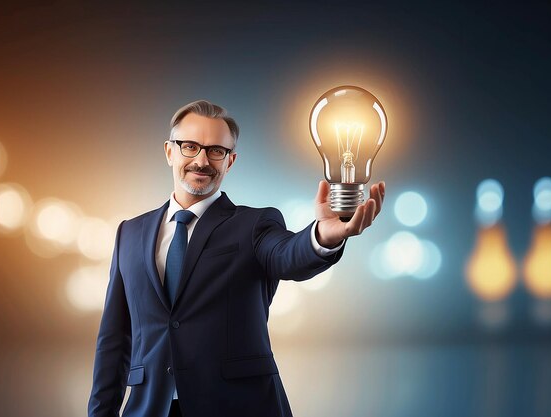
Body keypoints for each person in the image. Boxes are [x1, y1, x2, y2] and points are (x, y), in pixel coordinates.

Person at [88, 100, 385, 417]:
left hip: (239, 406)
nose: (202, 160)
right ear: (169, 151)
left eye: (216, 151)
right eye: (190, 146)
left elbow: (288, 255)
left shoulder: (255, 225)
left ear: (230, 161)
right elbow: (115, 341)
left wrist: (324, 236)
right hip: (149, 409)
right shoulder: (129, 234)